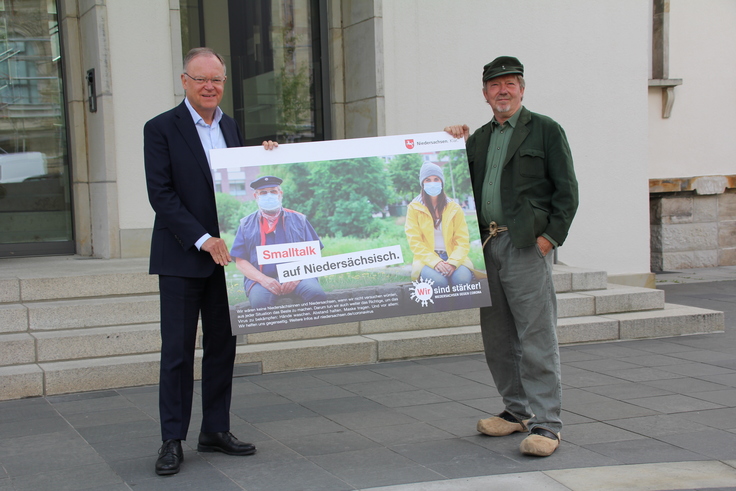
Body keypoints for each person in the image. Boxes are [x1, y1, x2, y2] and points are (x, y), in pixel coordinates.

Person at [144, 47, 277, 476]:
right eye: (201, 79)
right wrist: (203, 240)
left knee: (223, 346)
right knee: (178, 352)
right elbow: (161, 195)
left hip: (226, 262)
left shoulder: (231, 127)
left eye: (216, 80)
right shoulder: (160, 128)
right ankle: (171, 440)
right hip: (183, 256)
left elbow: (239, 187)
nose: (209, 87)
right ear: (184, 80)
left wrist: (268, 157)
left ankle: (215, 430)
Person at [445, 56, 578, 457]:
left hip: (524, 244)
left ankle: (547, 424)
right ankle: (516, 410)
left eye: (510, 84)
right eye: (494, 85)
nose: (502, 91)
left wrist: (549, 239)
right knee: (498, 337)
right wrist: (451, 142)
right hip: (485, 247)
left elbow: (566, 191)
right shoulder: (480, 138)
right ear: (485, 94)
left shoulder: (546, 130)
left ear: (522, 89)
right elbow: (453, 185)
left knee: (535, 335)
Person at [230, 176, 327, 308]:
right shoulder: (245, 224)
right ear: (255, 196)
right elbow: (240, 262)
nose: (268, 195)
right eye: (263, 192)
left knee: (317, 294)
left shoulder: (299, 219)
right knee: (260, 303)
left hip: (299, 275)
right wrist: (263, 279)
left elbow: (314, 254)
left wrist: (296, 276)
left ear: (280, 194)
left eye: (273, 191)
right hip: (261, 279)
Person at [405, 162, 475, 289]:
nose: (432, 183)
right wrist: (435, 261)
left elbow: (462, 241)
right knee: (439, 283)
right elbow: (415, 242)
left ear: (442, 182)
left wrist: (453, 263)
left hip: (454, 257)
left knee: (462, 281)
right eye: (428, 180)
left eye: (436, 179)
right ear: (422, 183)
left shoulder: (454, 208)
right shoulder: (413, 208)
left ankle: (465, 310)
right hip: (426, 259)